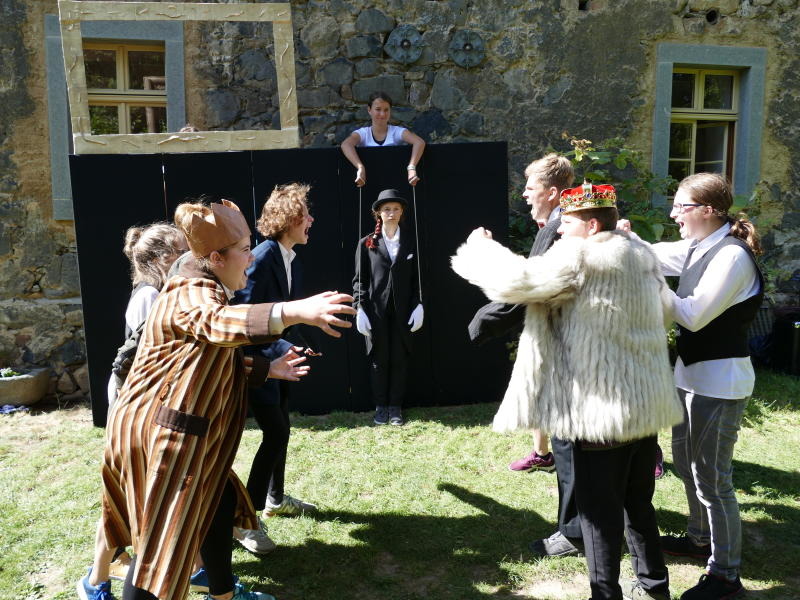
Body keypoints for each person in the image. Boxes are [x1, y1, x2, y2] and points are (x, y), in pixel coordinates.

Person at [78, 199, 355, 600]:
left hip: (185, 437)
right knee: (160, 545)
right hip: (161, 439)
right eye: (244, 250)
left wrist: (267, 370)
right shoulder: (191, 292)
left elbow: (202, 360)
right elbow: (214, 325)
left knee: (218, 506)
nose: (251, 258)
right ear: (215, 258)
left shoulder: (209, 287)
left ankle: (222, 594)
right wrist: (295, 310)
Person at [452, 182, 683, 600]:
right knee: (638, 508)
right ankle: (654, 588)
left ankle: (605, 595)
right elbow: (666, 310)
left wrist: (480, 248)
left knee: (597, 518)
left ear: (591, 224)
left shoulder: (579, 255)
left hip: (597, 413)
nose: (559, 229)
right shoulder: (641, 253)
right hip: (643, 407)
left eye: (568, 221)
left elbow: (516, 282)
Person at [623, 173, 763, 600]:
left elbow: (693, 315)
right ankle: (700, 538)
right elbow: (654, 255)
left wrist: (650, 283)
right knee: (688, 466)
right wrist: (620, 239)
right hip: (690, 376)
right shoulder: (699, 246)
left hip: (719, 384)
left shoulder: (732, 257)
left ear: (707, 211)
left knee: (712, 479)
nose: (672, 214)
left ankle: (726, 575)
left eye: (680, 207)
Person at [467, 153, 582, 557]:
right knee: (567, 442)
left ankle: (574, 533)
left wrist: (481, 323)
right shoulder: (558, 226)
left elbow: (525, 287)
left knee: (568, 446)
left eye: (531, 187)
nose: (525, 193)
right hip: (567, 350)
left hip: (568, 355)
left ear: (552, 193)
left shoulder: (558, 230)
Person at [232, 184, 319, 554]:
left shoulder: (289, 257)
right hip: (259, 364)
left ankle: (275, 499)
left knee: (281, 429)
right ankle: (244, 523)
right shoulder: (264, 256)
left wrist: (295, 344)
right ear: (289, 220)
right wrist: (282, 348)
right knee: (277, 432)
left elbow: (282, 315)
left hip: (280, 360)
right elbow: (249, 319)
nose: (311, 220)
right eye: (306, 215)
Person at [353, 189, 423, 426]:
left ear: (402, 211)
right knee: (379, 360)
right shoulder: (367, 243)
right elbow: (359, 280)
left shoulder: (412, 241)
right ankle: (381, 406)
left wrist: (419, 305)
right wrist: (359, 308)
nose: (391, 213)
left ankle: (396, 407)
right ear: (378, 214)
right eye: (386, 209)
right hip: (376, 311)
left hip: (404, 311)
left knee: (400, 359)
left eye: (395, 208)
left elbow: (419, 279)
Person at [106, 223, 188, 406]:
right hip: (140, 391)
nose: (188, 258)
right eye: (182, 252)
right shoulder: (149, 295)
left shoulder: (160, 292)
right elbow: (145, 351)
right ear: (158, 259)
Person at [341, 91, 426, 188]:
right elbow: (346, 145)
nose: (382, 114)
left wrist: (411, 167)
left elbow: (419, 142)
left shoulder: (396, 132)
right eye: (378, 109)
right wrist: (360, 167)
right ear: (369, 110)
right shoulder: (363, 133)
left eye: (386, 110)